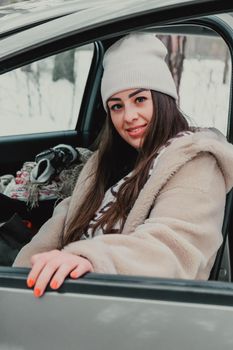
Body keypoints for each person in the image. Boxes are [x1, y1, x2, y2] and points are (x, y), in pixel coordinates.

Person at [13, 32, 233, 298]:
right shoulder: (107, 164)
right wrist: (25, 272)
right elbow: (64, 221)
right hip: (71, 297)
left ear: (163, 100)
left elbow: (172, 250)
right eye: (116, 106)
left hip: (141, 312)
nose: (129, 116)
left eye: (140, 99)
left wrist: (89, 258)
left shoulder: (197, 163)